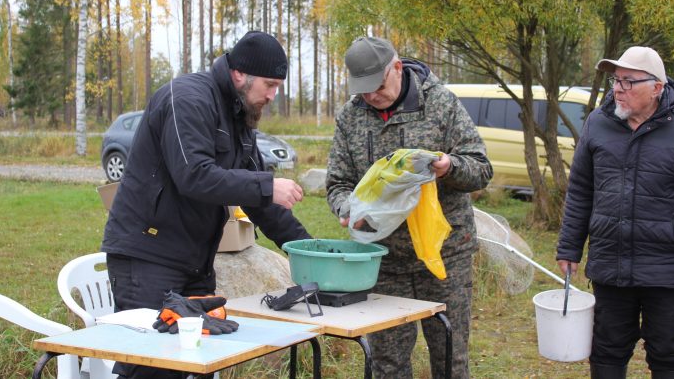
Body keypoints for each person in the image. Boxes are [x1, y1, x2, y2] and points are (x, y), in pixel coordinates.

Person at [101, 30, 311, 378]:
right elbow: (194, 175)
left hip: (194, 264)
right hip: (147, 257)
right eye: (270, 85)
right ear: (241, 74)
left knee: (200, 363)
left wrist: (307, 253)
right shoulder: (187, 98)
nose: (274, 95)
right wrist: (267, 185)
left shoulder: (238, 112)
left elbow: (258, 201)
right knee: (152, 367)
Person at [326, 36, 493, 378]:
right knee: (387, 362)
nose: (371, 96)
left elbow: (481, 168)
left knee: (450, 356)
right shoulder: (350, 116)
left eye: (378, 86)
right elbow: (338, 183)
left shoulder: (441, 103)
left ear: (397, 69)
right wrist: (348, 210)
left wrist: (450, 167)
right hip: (384, 259)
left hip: (445, 256)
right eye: (363, 90)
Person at [556, 46, 674, 379]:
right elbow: (580, 191)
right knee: (606, 348)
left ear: (657, 88)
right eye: (616, 80)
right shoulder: (597, 124)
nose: (618, 89)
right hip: (610, 264)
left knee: (669, 352)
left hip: (667, 268)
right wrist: (569, 248)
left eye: (629, 82)